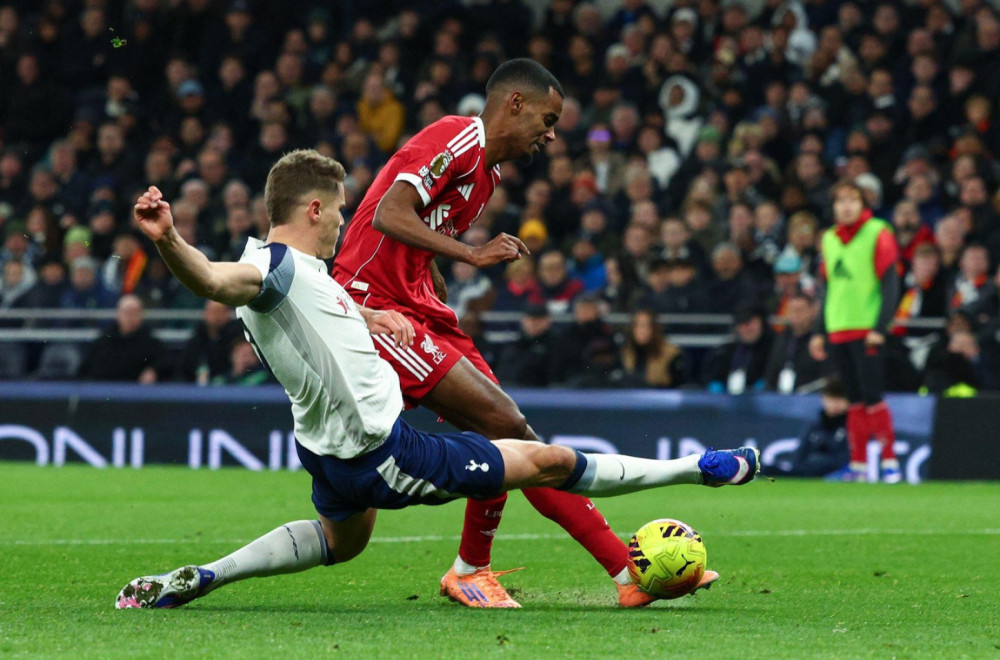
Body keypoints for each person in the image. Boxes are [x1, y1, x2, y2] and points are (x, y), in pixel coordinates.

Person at [115, 152, 759, 609]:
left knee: (342, 541)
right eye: (338, 210)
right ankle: (699, 469)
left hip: (324, 453)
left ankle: (206, 575)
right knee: (545, 458)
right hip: (385, 454)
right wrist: (169, 240)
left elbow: (308, 310)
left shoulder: (292, 272)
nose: (343, 222)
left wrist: (369, 315)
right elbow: (211, 279)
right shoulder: (273, 268)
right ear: (313, 208)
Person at [331, 59, 666, 608]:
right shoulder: (456, 137)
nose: (551, 135)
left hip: (419, 306)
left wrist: (432, 276)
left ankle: (622, 576)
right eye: (547, 119)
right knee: (504, 425)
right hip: (375, 307)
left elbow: (418, 234)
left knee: (519, 439)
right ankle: (478, 569)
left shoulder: (489, 175)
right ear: (515, 103)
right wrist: (471, 254)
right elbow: (391, 213)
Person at [809, 180, 902, 483]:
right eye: (840, 200)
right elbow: (828, 289)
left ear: (863, 204)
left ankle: (890, 463)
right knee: (854, 400)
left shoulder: (877, 231)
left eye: (852, 199)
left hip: (866, 329)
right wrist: (819, 330)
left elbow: (890, 282)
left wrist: (880, 326)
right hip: (838, 329)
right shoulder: (829, 238)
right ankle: (859, 465)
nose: (846, 206)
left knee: (873, 396)